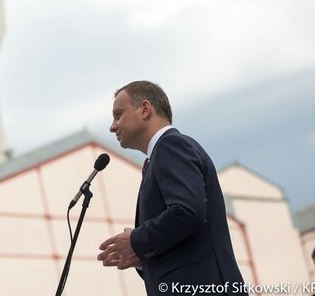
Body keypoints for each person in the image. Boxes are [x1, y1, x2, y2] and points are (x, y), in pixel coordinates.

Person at [96, 81, 245, 295]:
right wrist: (142, 254)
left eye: (118, 114)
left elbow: (187, 211)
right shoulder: (161, 155)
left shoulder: (170, 146)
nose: (112, 126)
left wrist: (136, 239)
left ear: (145, 109)